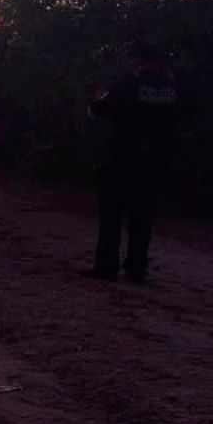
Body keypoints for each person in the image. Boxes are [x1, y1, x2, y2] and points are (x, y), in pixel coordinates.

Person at [80, 42, 180, 285]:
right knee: (142, 218)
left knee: (112, 216)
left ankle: (107, 267)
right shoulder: (171, 89)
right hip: (153, 161)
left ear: (137, 61)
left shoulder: (128, 85)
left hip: (120, 159)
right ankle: (136, 269)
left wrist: (93, 98)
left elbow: (99, 109)